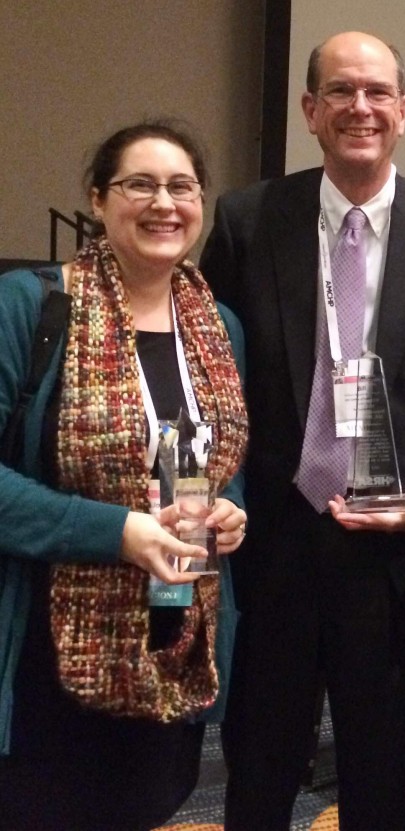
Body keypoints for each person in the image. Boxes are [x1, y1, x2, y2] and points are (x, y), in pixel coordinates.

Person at [199, 30, 405, 830]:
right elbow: (210, 370)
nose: (358, 107)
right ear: (309, 110)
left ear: (402, 111)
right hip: (271, 549)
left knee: (382, 782)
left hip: (392, 556)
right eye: (339, 91)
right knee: (256, 772)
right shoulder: (248, 220)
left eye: (375, 93)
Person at [0, 121, 249, 831]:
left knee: (143, 807)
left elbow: (212, 462)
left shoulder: (218, 325)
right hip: (45, 642)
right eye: (140, 184)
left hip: (175, 626)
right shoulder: (33, 306)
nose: (163, 203)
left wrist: (228, 509)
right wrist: (119, 531)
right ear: (98, 198)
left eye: (182, 186)